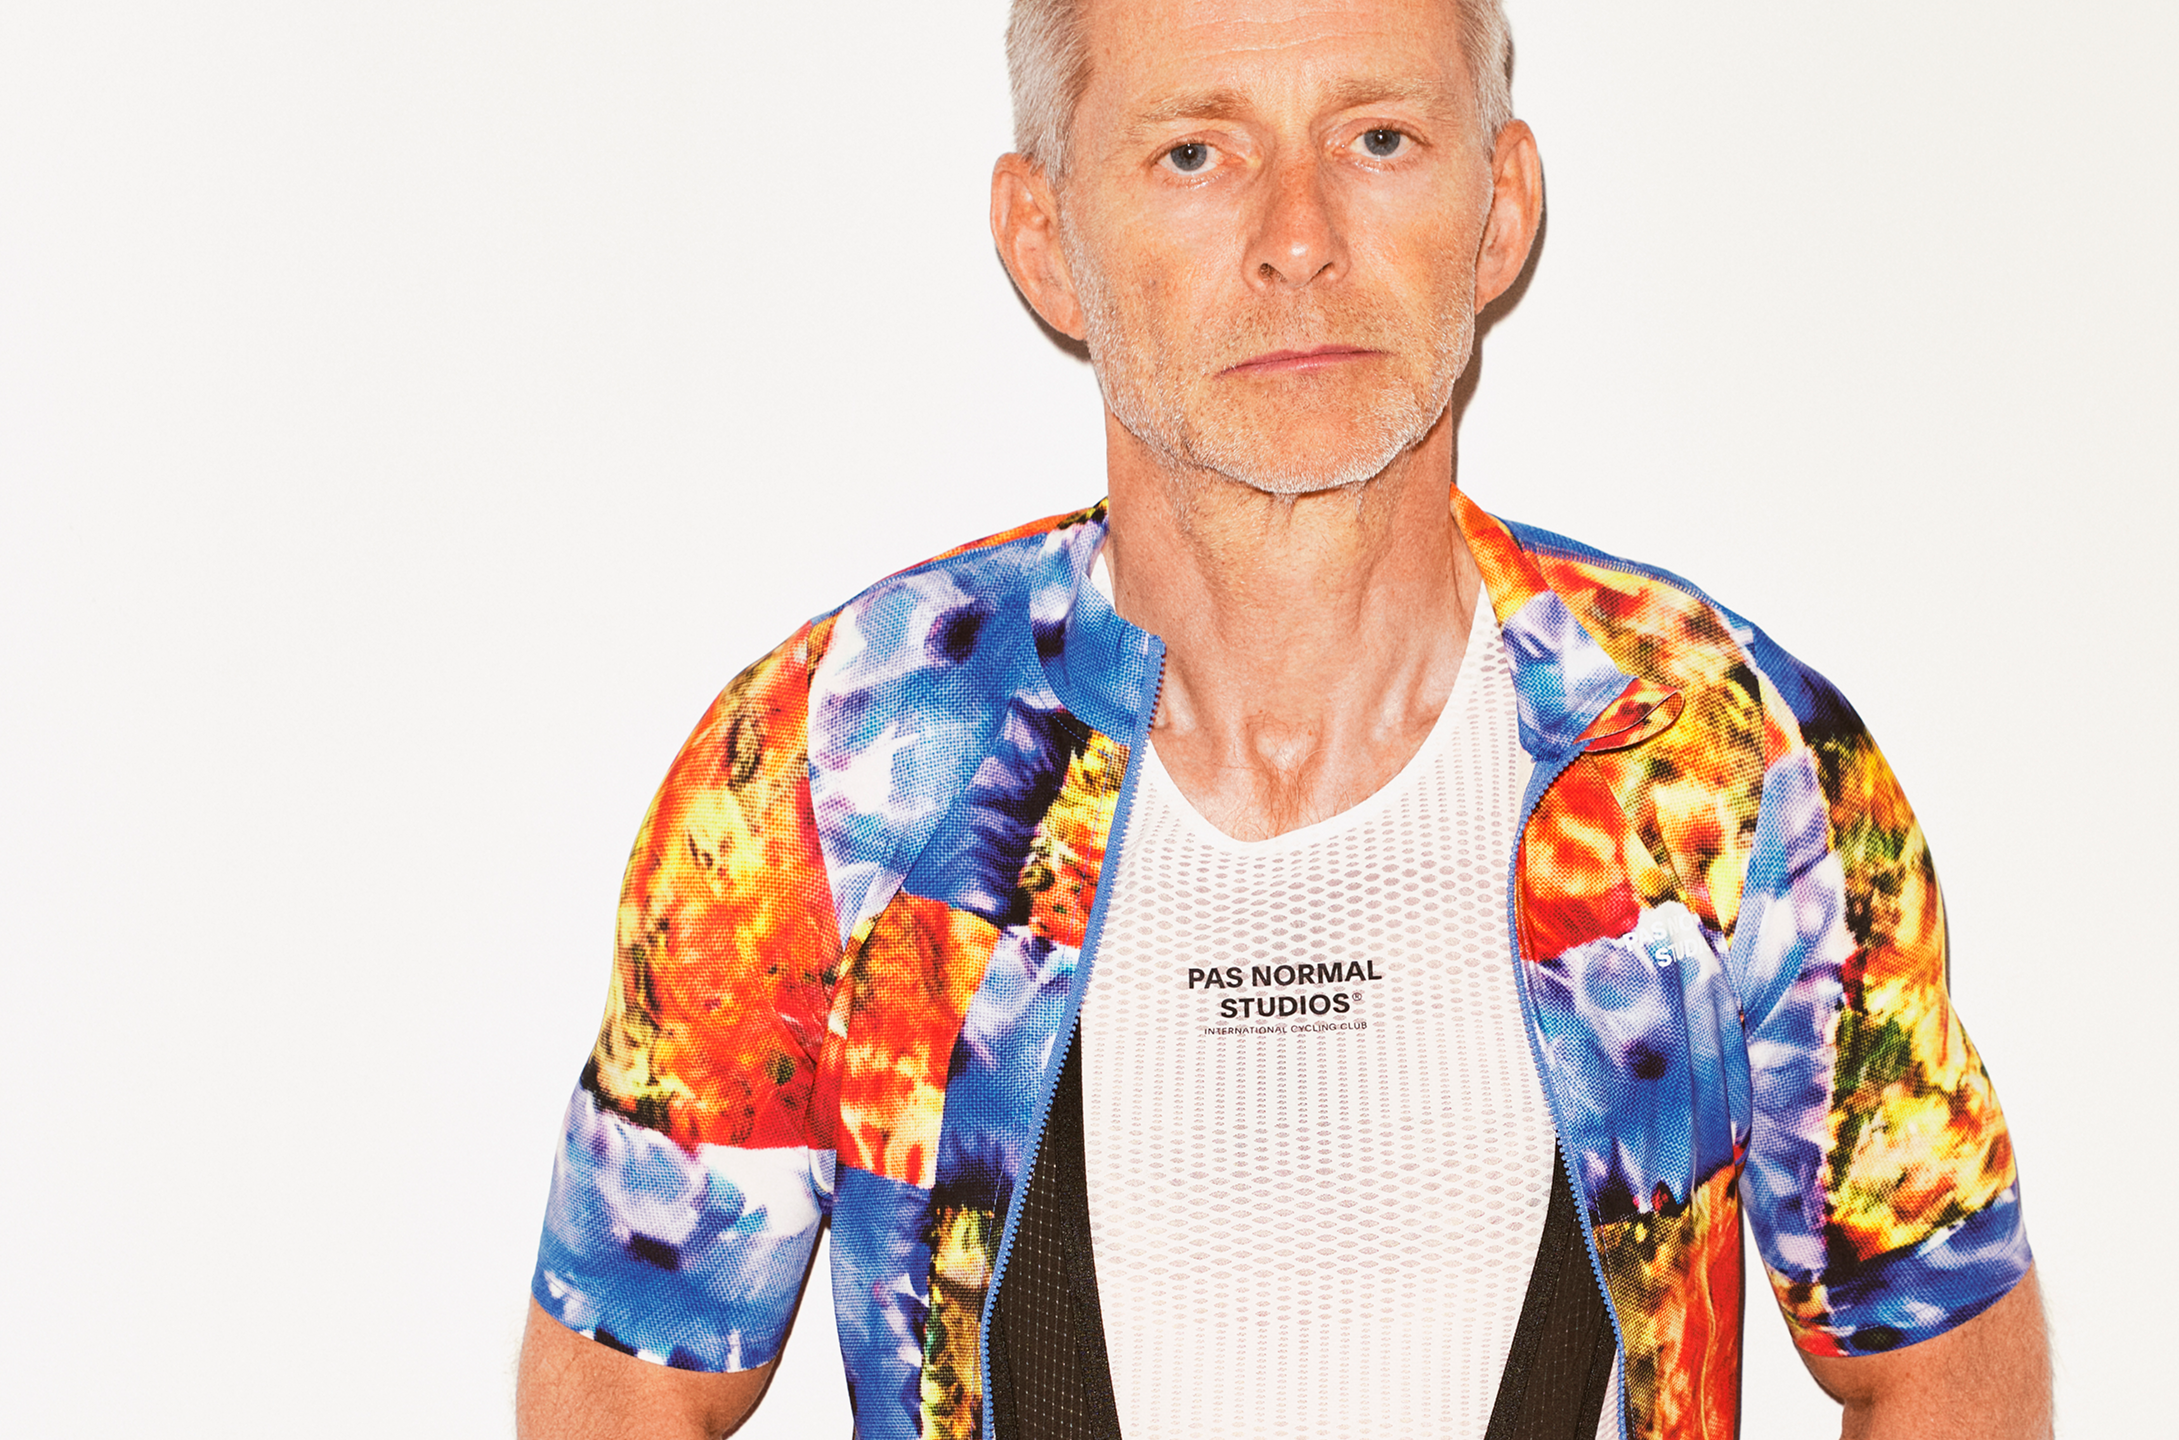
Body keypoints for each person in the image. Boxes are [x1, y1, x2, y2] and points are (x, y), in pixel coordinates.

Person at [516, 1, 2050, 1436]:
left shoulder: (1710, 757)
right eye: (1197, 153)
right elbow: (625, 1386)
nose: (1299, 238)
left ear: (1501, 205)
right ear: (1045, 239)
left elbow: (1944, 1350)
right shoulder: (845, 764)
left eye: (1379, 138)